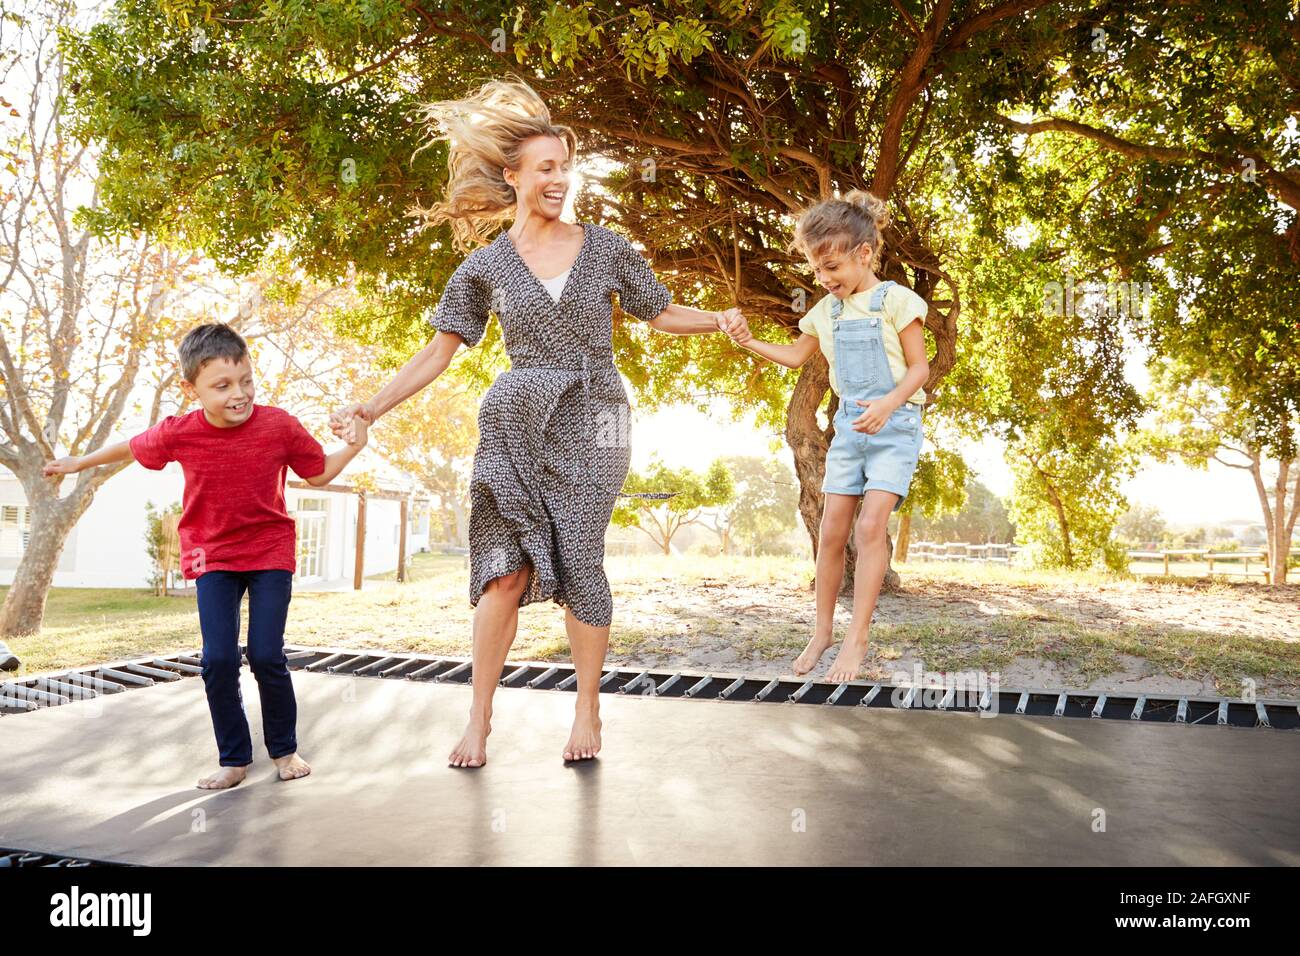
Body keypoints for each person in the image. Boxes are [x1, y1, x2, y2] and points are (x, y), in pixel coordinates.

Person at [331, 77, 744, 767]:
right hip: (515, 420)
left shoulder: (607, 248)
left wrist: (718, 321)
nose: (559, 179)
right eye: (545, 168)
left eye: (565, 167)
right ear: (512, 176)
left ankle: (588, 712)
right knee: (503, 573)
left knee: (581, 554)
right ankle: (479, 719)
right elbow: (438, 351)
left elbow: (659, 311)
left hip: (598, 417)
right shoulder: (484, 266)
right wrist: (369, 408)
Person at [43, 322, 369, 789]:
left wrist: (353, 448)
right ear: (190, 388)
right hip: (211, 553)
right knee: (216, 659)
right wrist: (78, 462)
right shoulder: (180, 432)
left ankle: (284, 750)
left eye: (246, 381)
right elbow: (132, 447)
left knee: (265, 654)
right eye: (222, 386)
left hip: (269, 549)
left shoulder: (279, 425)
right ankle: (233, 758)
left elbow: (318, 474)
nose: (239, 394)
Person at [723, 190, 929, 682]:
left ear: (864, 254)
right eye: (818, 271)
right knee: (832, 533)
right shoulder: (825, 312)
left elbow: (919, 369)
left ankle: (856, 639)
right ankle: (822, 631)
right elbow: (797, 357)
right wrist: (750, 341)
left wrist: (887, 404)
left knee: (870, 527)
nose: (826, 279)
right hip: (848, 432)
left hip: (894, 427)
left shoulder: (897, 301)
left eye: (833, 267)